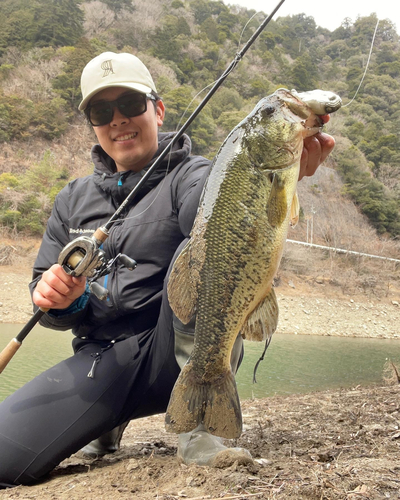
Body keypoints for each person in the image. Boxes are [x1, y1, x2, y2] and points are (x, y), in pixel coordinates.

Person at [0, 51, 335, 488]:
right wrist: (57, 296)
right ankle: (102, 425)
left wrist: (276, 174)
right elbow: (51, 300)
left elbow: (217, 207)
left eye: (132, 105)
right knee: (5, 459)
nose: (118, 119)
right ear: (94, 126)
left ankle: (202, 429)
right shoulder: (71, 199)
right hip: (100, 361)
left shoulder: (194, 175)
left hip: (172, 356)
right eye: (103, 111)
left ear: (157, 110)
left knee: (200, 253)